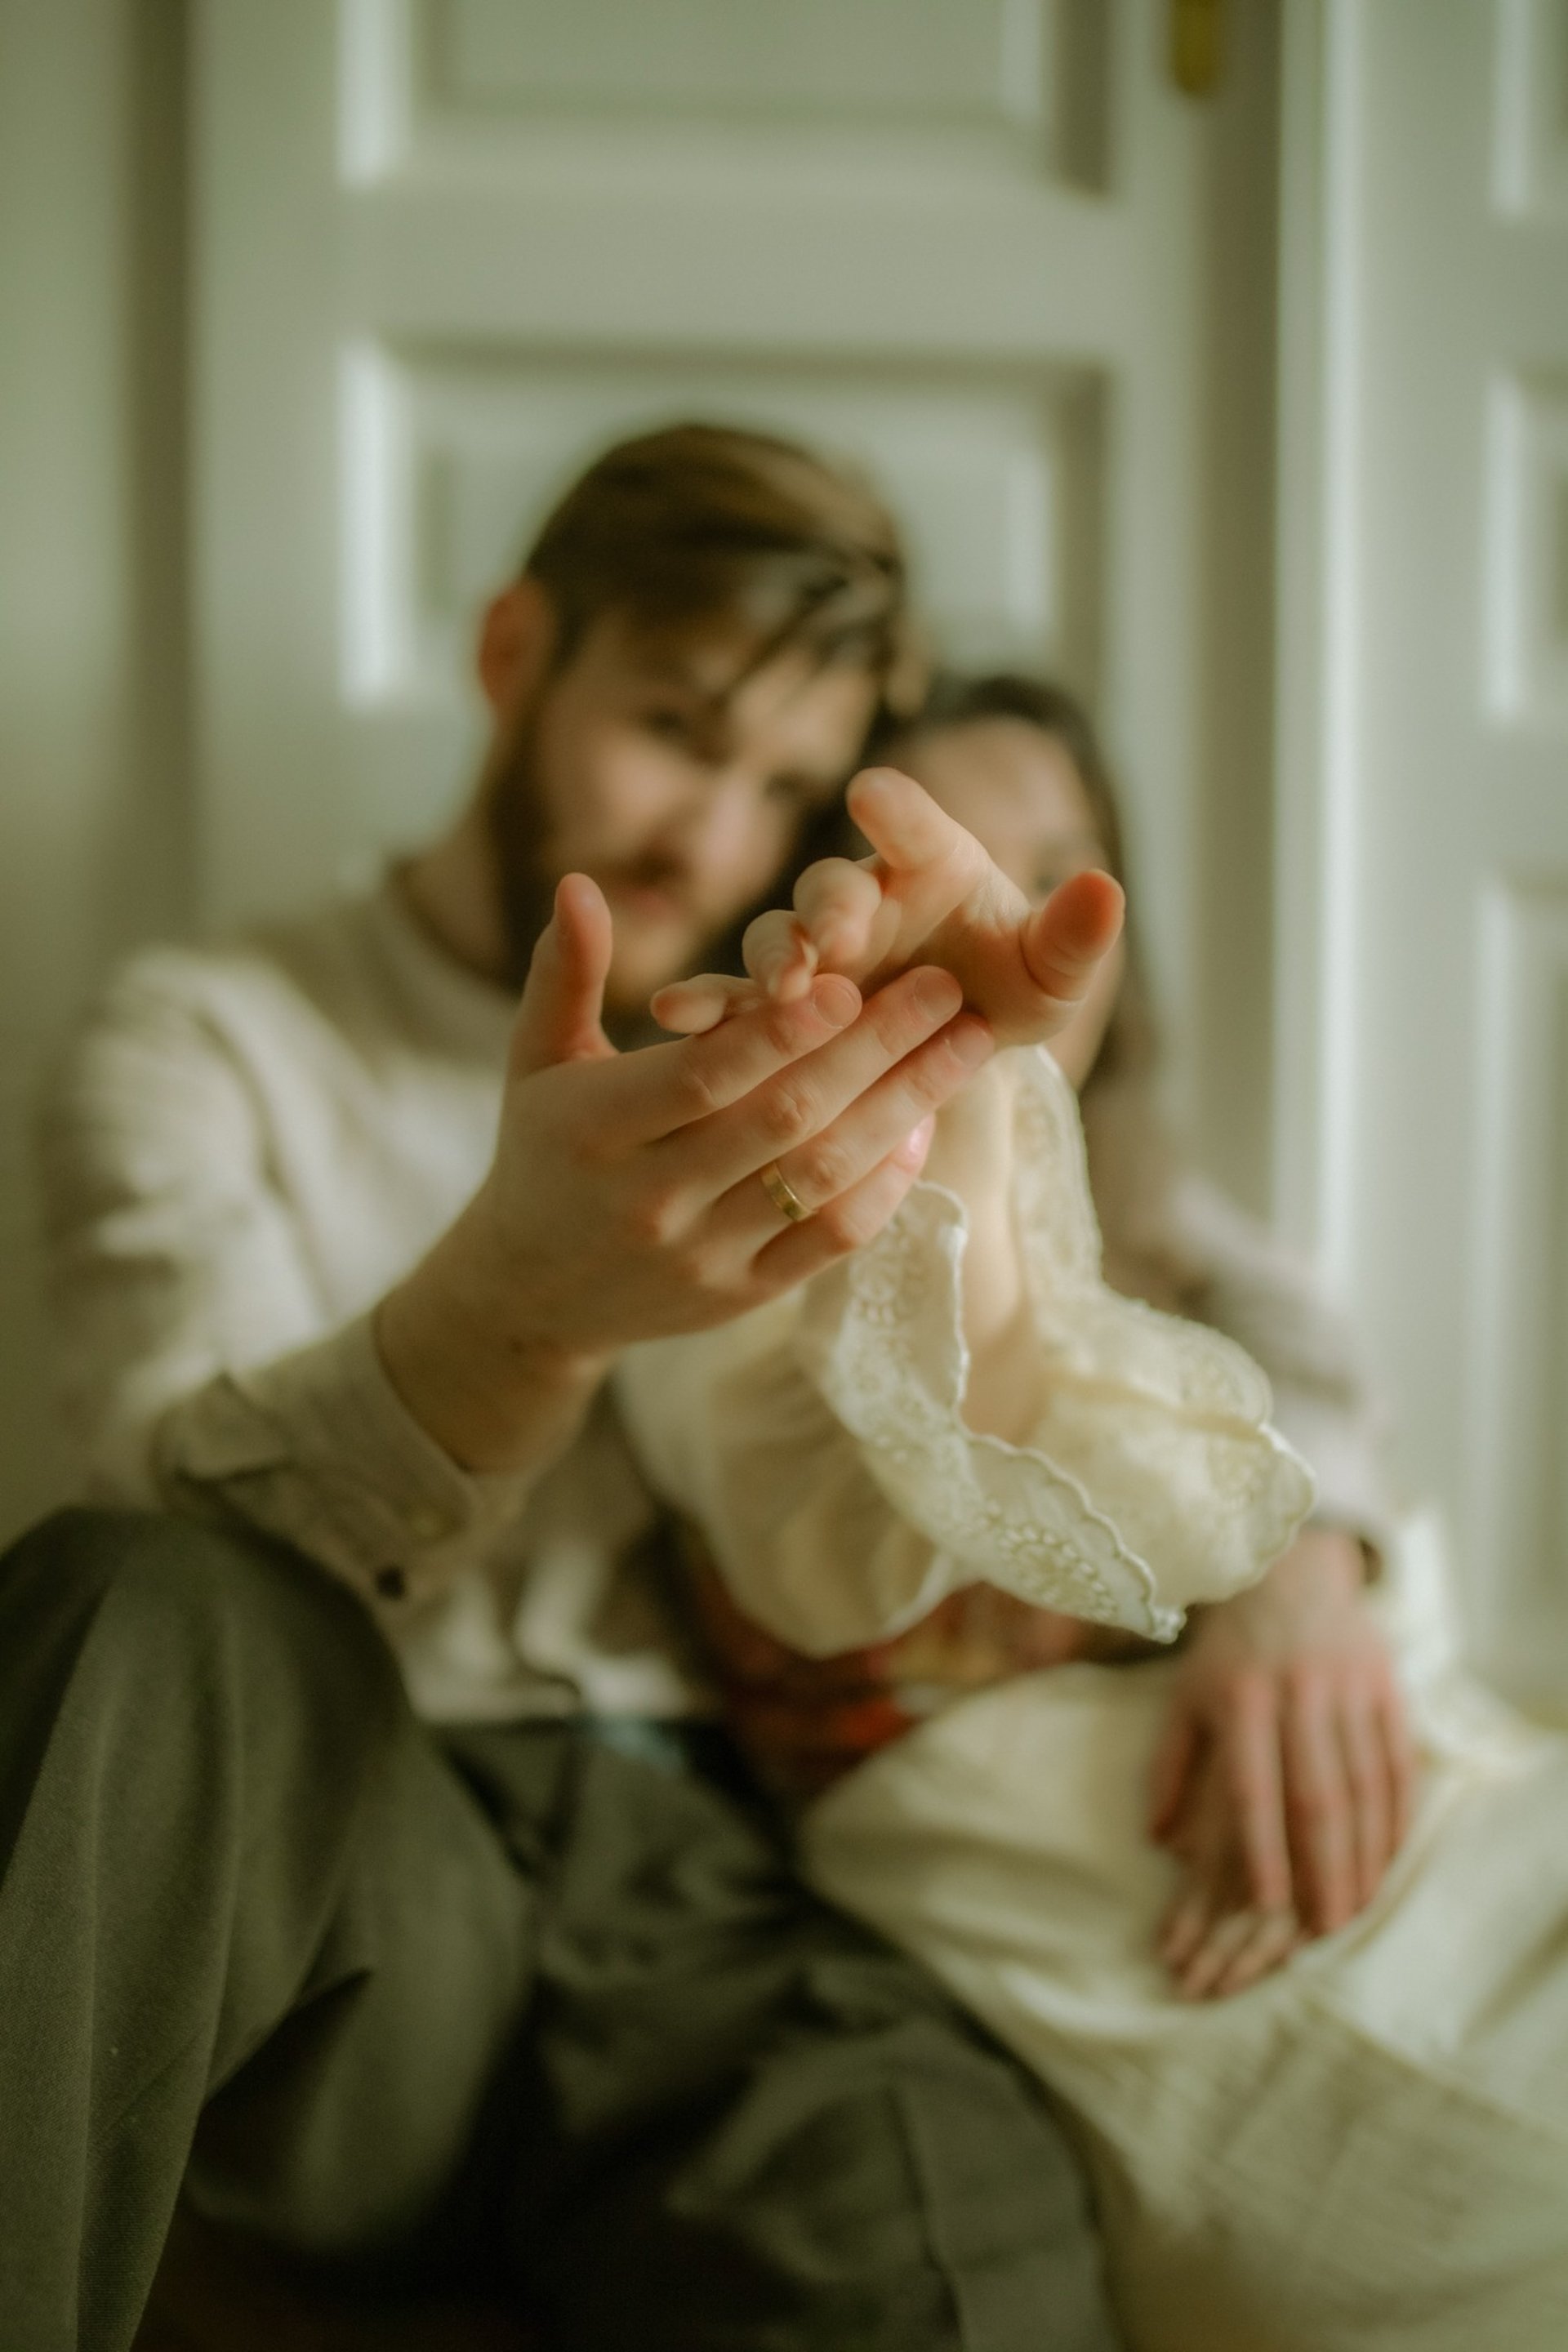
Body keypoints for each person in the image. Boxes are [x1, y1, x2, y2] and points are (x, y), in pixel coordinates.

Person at [9, 438, 1126, 2352]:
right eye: (676, 727)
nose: (714, 830)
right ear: (516, 647)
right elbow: (168, 1562)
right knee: (130, 1596)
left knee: (951, 2261)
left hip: (694, 1889)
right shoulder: (204, 1035)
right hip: (358, 1853)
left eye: (785, 783)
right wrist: (509, 1314)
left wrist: (961, 1162)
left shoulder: (778, 1053)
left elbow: (852, 1554)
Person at [620, 675, 1568, 2350]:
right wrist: (958, 1117)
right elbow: (925, 1415)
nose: (1015, 909)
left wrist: (1302, 1571)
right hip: (1205, 1957)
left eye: (1063, 861)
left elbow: (1317, 1408)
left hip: (1466, 1809)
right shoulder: (743, 1288)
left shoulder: (1195, 1230)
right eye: (951, 868)